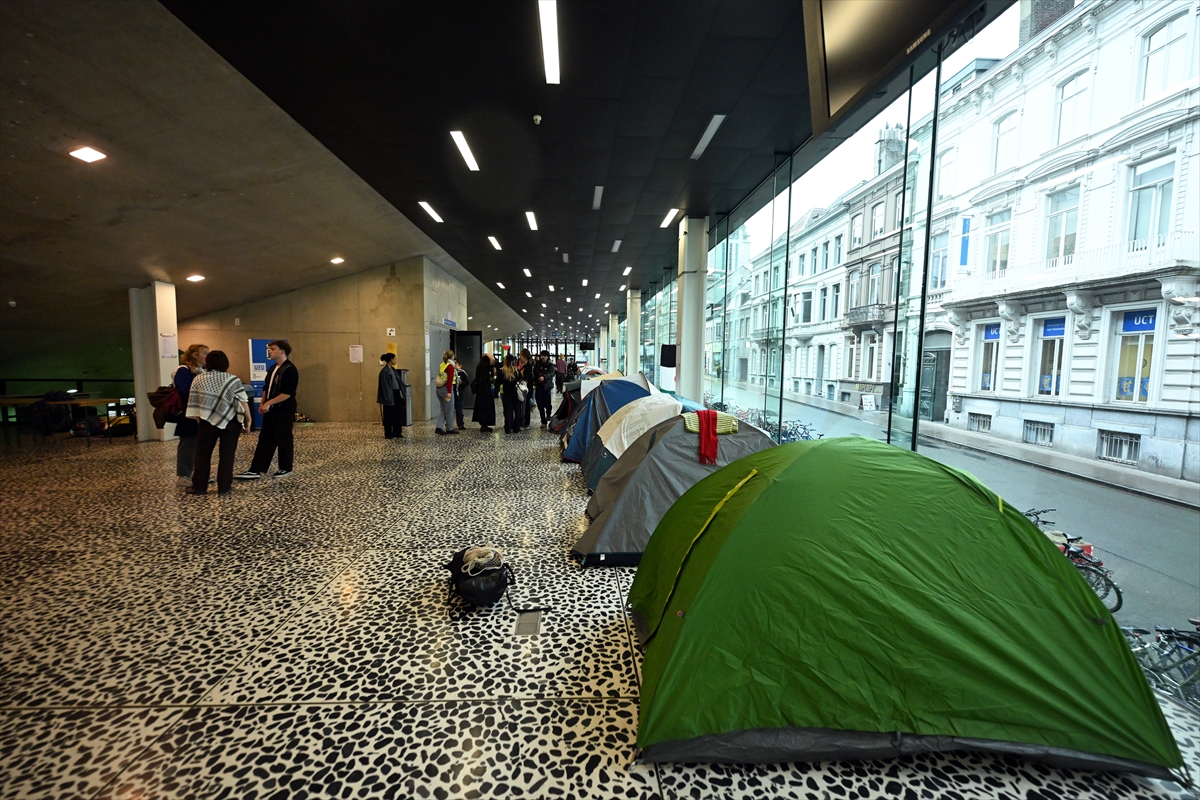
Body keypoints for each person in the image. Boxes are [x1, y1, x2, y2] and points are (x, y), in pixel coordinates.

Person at [184, 350, 250, 496]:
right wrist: (248, 420)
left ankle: (199, 487)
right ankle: (224, 487)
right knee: (227, 454)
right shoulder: (233, 379)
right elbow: (243, 401)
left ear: (209, 363)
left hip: (207, 421)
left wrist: (199, 418)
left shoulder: (199, 379)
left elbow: (195, 401)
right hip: (231, 421)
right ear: (226, 363)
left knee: (202, 454)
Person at [236, 339, 298, 479]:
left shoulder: (290, 369)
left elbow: (288, 393)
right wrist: (263, 402)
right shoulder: (273, 368)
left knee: (283, 437)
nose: (270, 351)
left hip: (284, 409)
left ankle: (285, 468)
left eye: (273, 349)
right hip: (271, 409)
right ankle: (257, 468)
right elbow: (266, 387)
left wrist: (269, 403)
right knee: (265, 438)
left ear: (282, 351)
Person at [173, 343, 208, 481]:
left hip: (203, 411)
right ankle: (184, 474)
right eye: (204, 353)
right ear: (195, 355)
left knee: (202, 444)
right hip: (189, 413)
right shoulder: (183, 370)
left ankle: (199, 473)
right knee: (188, 444)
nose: (207, 356)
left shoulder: (204, 371)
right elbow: (186, 389)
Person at [377, 353, 405, 439]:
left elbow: (399, 382)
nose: (396, 361)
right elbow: (385, 386)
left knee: (397, 413)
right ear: (391, 360)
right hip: (389, 394)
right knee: (389, 415)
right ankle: (388, 433)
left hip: (396, 393)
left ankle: (397, 432)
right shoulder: (384, 372)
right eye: (395, 359)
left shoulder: (393, 370)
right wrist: (387, 397)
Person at [434, 349, 457, 435]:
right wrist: (449, 392)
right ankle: (450, 429)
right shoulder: (450, 366)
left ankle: (439, 427)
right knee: (449, 410)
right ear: (452, 357)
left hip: (439, 389)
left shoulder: (442, 364)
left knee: (443, 410)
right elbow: (450, 380)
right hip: (446, 390)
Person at [471, 353, 496, 432]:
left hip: (480, 390)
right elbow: (493, 359)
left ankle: (483, 424)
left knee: (481, 408)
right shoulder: (486, 366)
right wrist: (486, 354)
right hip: (485, 390)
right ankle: (485, 425)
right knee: (487, 408)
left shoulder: (479, 367)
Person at [498, 355, 521, 434]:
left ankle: (508, 428)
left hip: (506, 394)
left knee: (508, 412)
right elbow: (520, 381)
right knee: (517, 411)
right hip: (516, 394)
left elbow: (498, 382)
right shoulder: (517, 371)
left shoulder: (502, 371)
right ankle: (516, 428)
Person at [534, 349, 555, 426]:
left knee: (547, 404)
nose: (542, 357)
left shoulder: (550, 365)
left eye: (544, 356)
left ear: (547, 357)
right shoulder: (537, 364)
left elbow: (552, 373)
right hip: (539, 387)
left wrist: (544, 377)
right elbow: (535, 373)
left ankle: (548, 414)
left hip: (546, 387)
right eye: (541, 356)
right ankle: (543, 421)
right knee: (540, 405)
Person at [518, 348, 534, 429]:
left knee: (526, 406)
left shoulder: (528, 366)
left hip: (526, 390)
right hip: (526, 389)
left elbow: (527, 379)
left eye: (521, 355)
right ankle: (524, 422)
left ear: (524, 356)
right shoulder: (525, 366)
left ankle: (525, 423)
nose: (520, 357)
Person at [453, 357, 468, 431]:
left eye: (455, 363)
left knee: (459, 409)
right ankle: (449, 424)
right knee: (449, 410)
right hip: (452, 393)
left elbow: (466, 382)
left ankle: (460, 424)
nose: (454, 364)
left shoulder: (462, 373)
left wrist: (462, 383)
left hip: (460, 393)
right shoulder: (449, 372)